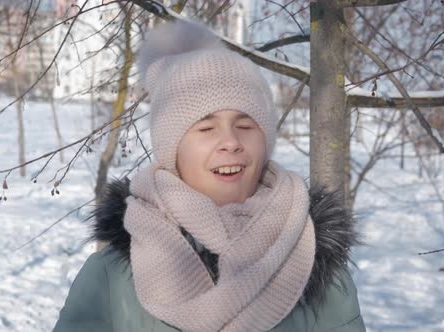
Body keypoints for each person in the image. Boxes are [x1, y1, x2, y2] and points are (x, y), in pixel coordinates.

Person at [54, 20, 365, 332]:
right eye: (206, 128)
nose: (230, 141)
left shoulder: (316, 266)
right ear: (171, 150)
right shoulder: (110, 278)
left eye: (245, 126)